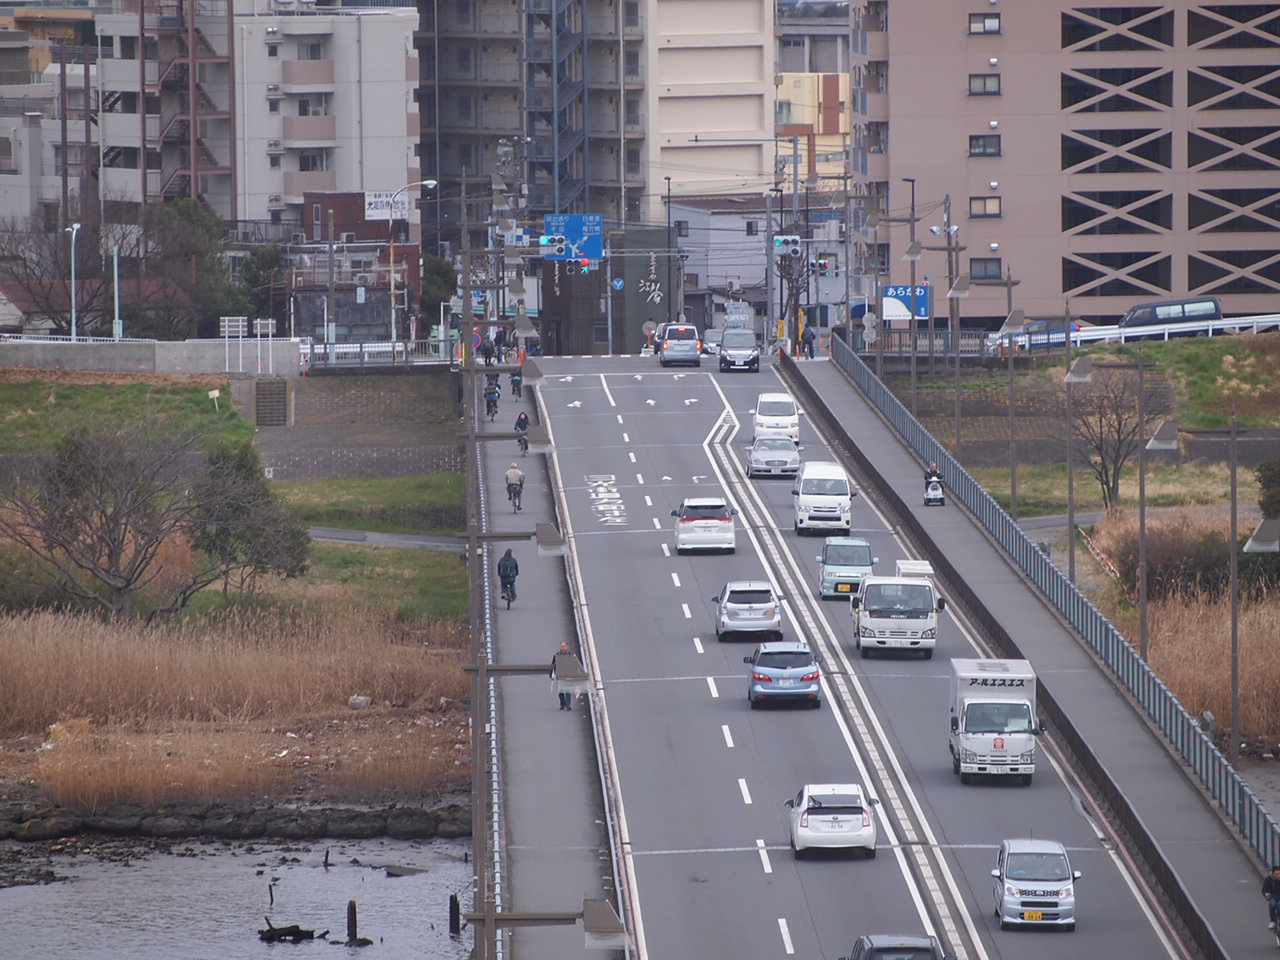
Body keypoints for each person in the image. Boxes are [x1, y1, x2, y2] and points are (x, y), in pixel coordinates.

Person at [551, 641, 573, 710]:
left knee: (568, 691)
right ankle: (562, 704)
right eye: (561, 646)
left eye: (564, 646)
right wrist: (551, 674)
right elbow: (553, 665)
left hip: (568, 675)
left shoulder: (571, 655)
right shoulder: (556, 655)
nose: (562, 648)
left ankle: (568, 705)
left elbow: (575, 665)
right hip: (560, 675)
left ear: (567, 647)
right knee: (560, 692)